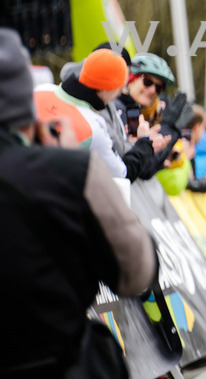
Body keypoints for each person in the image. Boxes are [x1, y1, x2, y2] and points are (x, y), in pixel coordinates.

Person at [0, 28, 158, 376]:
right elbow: (134, 271)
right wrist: (76, 167)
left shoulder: (45, 90)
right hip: (51, 355)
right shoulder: (83, 141)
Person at [34, 49, 172, 180]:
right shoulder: (94, 127)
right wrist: (145, 143)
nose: (119, 94)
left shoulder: (41, 90)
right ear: (107, 88)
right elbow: (123, 173)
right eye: (119, 88)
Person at [115, 53, 176, 136]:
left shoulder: (150, 116)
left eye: (158, 87)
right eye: (147, 82)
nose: (153, 90)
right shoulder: (115, 110)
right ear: (131, 80)